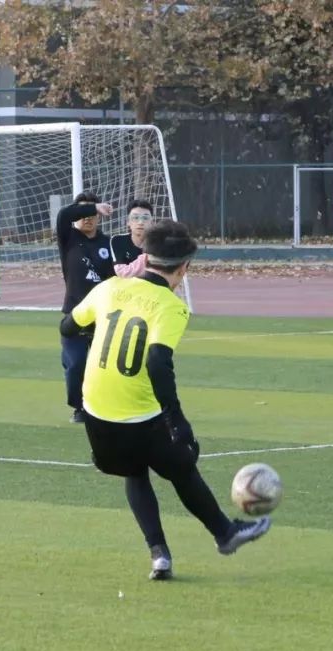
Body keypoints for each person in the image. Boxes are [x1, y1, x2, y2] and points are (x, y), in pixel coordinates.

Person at [60, 220, 270, 580]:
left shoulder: (110, 286)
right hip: (139, 412)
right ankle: (225, 533)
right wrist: (177, 421)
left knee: (133, 470)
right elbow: (158, 361)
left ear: (145, 257)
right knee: (182, 468)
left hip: (95, 409)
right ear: (184, 268)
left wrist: (100, 325)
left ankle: (159, 555)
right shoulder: (172, 307)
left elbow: (67, 326)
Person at [56, 191, 115, 423]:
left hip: (105, 315)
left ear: (100, 217)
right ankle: (79, 407)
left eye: (92, 213)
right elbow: (63, 215)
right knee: (76, 364)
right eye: (83, 213)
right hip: (75, 313)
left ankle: (106, 407)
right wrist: (93, 207)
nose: (88, 218)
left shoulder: (109, 243)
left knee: (107, 366)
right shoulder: (68, 238)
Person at [109, 199, 153, 278]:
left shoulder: (159, 243)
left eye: (145, 218)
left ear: (152, 222)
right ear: (128, 222)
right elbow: (122, 272)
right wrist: (147, 258)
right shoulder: (118, 240)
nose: (140, 222)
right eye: (135, 217)